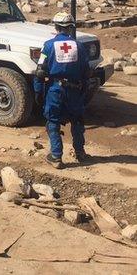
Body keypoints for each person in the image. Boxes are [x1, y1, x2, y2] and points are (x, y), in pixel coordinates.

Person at [34, 12, 91, 169]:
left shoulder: (48, 46)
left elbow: (40, 71)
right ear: (70, 28)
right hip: (75, 90)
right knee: (77, 120)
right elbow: (87, 72)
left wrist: (38, 91)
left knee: (53, 122)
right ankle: (80, 152)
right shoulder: (79, 46)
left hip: (55, 90)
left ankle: (56, 156)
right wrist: (83, 91)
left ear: (56, 27)